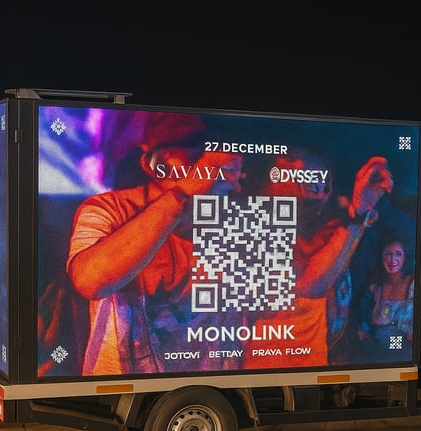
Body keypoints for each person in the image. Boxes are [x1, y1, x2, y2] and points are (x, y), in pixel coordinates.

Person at [66, 112, 247, 375]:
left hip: (212, 382)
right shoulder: (109, 208)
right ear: (152, 163)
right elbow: (90, 280)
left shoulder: (236, 219)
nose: (209, 162)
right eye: (192, 147)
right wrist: (184, 192)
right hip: (124, 385)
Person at [242, 151, 394, 369]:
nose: (320, 194)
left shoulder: (328, 227)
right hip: (268, 370)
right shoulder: (255, 230)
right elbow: (309, 285)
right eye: (309, 184)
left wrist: (362, 211)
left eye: (325, 185)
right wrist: (356, 215)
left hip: (318, 366)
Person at [357, 235, 415, 362]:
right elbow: (363, 326)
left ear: (405, 256)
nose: (392, 260)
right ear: (381, 257)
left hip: (405, 354)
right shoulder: (375, 288)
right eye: (388, 254)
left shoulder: (413, 284)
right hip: (377, 353)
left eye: (398, 254)